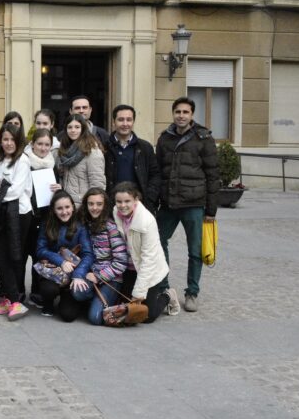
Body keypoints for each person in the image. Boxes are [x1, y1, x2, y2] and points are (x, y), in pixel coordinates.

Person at [155, 96, 219, 313]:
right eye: (178, 112)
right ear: (173, 114)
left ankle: (192, 292)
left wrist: (211, 210)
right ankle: (164, 287)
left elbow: (213, 175)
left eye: (185, 112)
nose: (181, 116)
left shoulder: (203, 138)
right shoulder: (165, 138)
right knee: (158, 241)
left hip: (194, 203)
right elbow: (158, 172)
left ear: (192, 115)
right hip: (169, 203)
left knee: (195, 250)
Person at [113, 182, 178, 323]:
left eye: (127, 201)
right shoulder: (115, 212)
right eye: (119, 201)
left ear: (136, 200)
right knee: (126, 307)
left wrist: (138, 293)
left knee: (148, 316)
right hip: (129, 267)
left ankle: (167, 295)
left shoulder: (147, 221)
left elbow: (149, 260)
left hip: (149, 269)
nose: (122, 205)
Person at [0, 124, 34, 321]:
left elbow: (14, 191)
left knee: (13, 256)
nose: (8, 143)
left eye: (12, 139)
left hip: (19, 214)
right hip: (2, 213)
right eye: (5, 139)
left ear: (18, 141)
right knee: (0, 256)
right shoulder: (0, 160)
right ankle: (9, 298)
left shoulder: (22, 161)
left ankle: (16, 301)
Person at [34, 191, 95, 321]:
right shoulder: (47, 224)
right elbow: (40, 250)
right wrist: (61, 261)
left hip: (73, 273)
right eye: (59, 208)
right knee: (48, 289)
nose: (64, 211)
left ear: (73, 207)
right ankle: (48, 303)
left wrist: (78, 275)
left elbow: (88, 254)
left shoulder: (80, 225)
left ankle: (70, 297)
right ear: (54, 210)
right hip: (53, 271)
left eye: (67, 207)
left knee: (68, 316)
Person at [22, 128, 61, 309]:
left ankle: (37, 293)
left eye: (47, 145)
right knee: (20, 256)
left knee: (40, 256)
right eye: (40, 144)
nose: (43, 148)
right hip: (26, 216)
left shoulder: (53, 164)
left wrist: (58, 189)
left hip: (45, 218)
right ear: (32, 144)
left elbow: (60, 194)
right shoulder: (24, 161)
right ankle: (18, 291)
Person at [79, 188, 129, 326]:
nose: (94, 208)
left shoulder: (111, 226)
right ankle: (94, 299)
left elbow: (121, 262)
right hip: (89, 274)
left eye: (99, 204)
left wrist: (99, 276)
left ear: (105, 205)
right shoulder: (84, 224)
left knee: (95, 318)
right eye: (91, 204)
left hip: (110, 279)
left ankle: (105, 299)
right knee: (78, 293)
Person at [105, 104, 161, 213]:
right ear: (113, 122)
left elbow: (155, 175)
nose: (125, 124)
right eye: (121, 120)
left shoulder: (145, 147)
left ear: (133, 122)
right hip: (112, 207)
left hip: (139, 206)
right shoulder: (104, 147)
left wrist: (149, 199)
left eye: (129, 120)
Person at [58, 114, 105, 209]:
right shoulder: (64, 150)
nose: (73, 130)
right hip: (67, 206)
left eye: (77, 127)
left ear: (83, 129)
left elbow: (97, 184)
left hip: (84, 206)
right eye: (69, 127)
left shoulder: (92, 152)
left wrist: (91, 206)